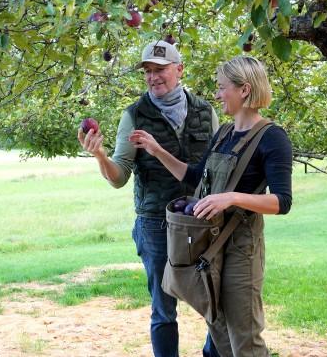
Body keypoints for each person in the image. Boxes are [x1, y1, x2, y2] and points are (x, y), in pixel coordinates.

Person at [128, 56, 293, 356]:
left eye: (222, 88)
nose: (217, 95)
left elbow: (282, 201)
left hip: (242, 248)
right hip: (210, 247)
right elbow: (193, 177)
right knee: (219, 331)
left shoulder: (272, 138)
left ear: (244, 90)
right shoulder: (224, 134)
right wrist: (156, 150)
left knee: (244, 336)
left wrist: (231, 198)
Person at [77, 40, 220, 357]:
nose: (154, 77)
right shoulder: (134, 115)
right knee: (163, 308)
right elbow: (119, 176)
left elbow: (217, 169)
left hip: (202, 222)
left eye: (161, 70)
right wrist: (100, 155)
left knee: (216, 301)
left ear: (179, 70)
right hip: (156, 225)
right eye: (148, 71)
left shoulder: (205, 112)